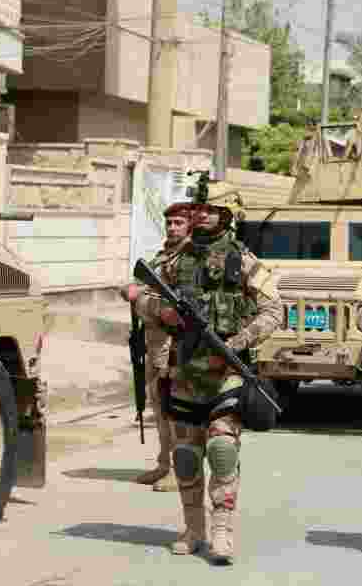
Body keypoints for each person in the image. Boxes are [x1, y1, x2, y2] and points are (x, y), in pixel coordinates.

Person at [126, 202, 282, 565]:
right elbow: (137, 293)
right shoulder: (175, 261)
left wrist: (237, 343)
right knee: (185, 456)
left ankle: (222, 529)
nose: (201, 217)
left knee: (223, 450)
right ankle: (193, 528)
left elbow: (275, 310)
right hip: (183, 372)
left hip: (226, 372)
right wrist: (160, 311)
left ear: (225, 218)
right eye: (196, 211)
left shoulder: (243, 261)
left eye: (209, 211)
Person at [119, 203, 194, 492]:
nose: (173, 227)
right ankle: (164, 463)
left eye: (178, 222)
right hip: (153, 342)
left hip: (173, 344)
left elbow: (175, 307)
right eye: (170, 222)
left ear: (189, 226)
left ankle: (179, 470)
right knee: (158, 407)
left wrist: (141, 299)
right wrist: (131, 290)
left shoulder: (188, 259)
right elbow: (138, 284)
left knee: (173, 408)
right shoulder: (163, 256)